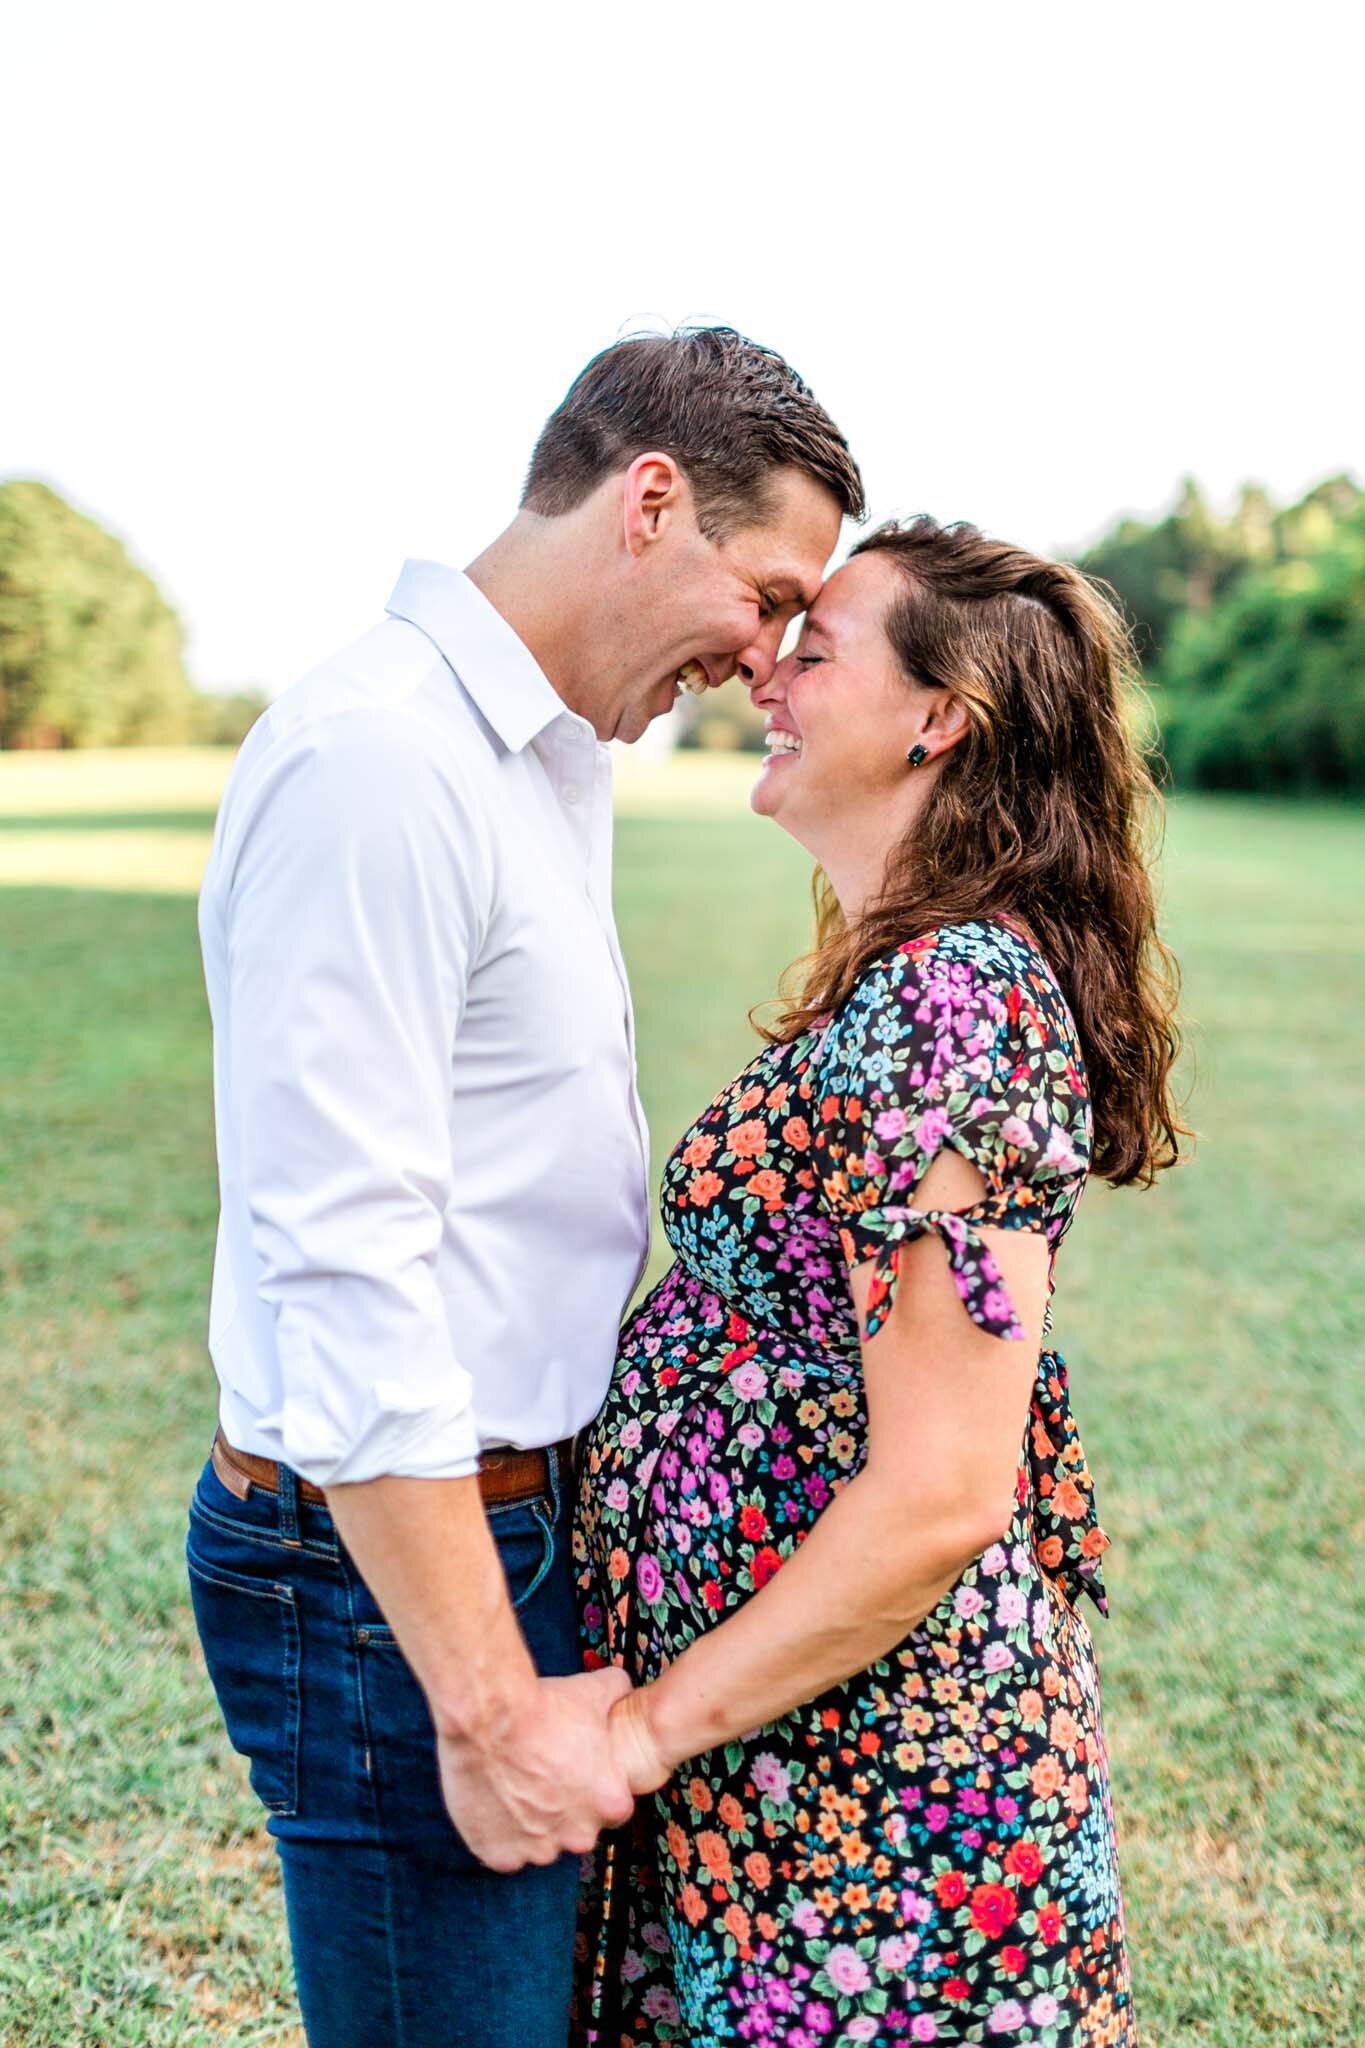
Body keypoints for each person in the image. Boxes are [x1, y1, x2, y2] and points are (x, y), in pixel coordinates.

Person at [185, 326, 865, 2046]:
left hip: (507, 1525)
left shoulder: (539, 761)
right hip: (386, 1574)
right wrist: (482, 1706)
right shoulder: (382, 765)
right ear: (652, 504)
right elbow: (344, 1261)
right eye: (772, 591)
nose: (771, 655)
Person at [575, 517, 1184, 2046]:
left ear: (938, 717)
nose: (765, 674)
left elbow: (941, 1493)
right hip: (797, 1774)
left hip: (886, 1802)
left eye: (816, 648)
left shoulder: (959, 1001)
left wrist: (649, 1727)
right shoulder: (904, 975)